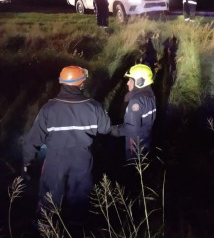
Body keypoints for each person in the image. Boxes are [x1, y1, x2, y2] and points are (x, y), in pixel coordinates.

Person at [22, 66, 112, 226]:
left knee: (49, 194)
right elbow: (105, 129)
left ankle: (45, 226)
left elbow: (33, 139)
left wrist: (27, 162)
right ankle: (77, 226)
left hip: (55, 160)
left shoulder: (48, 108)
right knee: (79, 196)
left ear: (62, 83)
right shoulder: (94, 106)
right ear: (81, 83)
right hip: (82, 160)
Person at [110, 64, 157, 161]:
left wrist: (113, 130)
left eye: (130, 80)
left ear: (139, 82)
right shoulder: (150, 96)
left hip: (135, 148)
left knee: (133, 171)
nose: (127, 83)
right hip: (146, 142)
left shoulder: (136, 101)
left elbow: (131, 129)